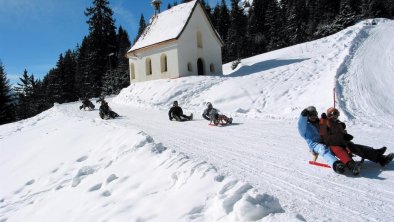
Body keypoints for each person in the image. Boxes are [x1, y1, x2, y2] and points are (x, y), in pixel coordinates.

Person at [320, 107, 393, 168]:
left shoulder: (338, 123)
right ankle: (352, 165)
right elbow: (323, 132)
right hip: (333, 145)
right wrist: (323, 120)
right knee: (344, 151)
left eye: (337, 115)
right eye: (333, 115)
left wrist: (345, 135)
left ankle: (380, 158)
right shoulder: (326, 122)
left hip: (343, 143)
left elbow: (343, 133)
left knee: (359, 148)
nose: (335, 117)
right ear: (329, 115)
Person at [298, 106, 346, 174]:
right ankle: (336, 164)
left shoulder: (320, 122)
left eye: (315, 114)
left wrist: (339, 125)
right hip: (315, 145)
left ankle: (348, 160)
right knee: (323, 149)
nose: (313, 116)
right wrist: (302, 116)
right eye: (311, 115)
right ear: (307, 116)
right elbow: (300, 124)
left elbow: (330, 123)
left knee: (338, 143)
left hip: (325, 140)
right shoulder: (305, 126)